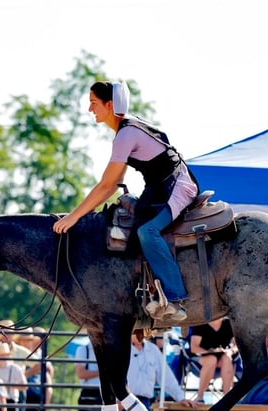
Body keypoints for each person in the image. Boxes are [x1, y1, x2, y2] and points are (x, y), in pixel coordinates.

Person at [52, 80, 199, 323]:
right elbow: (116, 181)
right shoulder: (127, 129)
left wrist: (73, 217)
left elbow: (107, 185)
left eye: (93, 103)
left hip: (176, 186)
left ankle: (175, 298)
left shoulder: (126, 134)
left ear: (109, 105)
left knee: (147, 232)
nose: (90, 109)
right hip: (158, 189)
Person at [116, 330, 193, 411]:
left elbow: (165, 376)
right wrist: (115, 400)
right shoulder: (121, 348)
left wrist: (180, 397)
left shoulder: (152, 350)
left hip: (143, 401)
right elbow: (112, 375)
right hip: (124, 401)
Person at [189, 317, 238, 402]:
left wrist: (231, 351)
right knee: (211, 360)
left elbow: (236, 344)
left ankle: (228, 397)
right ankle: (200, 397)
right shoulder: (200, 324)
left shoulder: (228, 324)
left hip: (223, 356)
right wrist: (210, 351)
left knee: (227, 359)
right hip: (200, 358)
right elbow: (194, 348)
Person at [14, 328, 55, 411]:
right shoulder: (17, 352)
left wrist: (48, 391)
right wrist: (35, 369)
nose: (27, 343)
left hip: (35, 392)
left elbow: (48, 372)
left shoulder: (38, 354)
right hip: (20, 391)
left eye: (29, 340)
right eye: (24, 340)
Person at [74, 336, 102, 411]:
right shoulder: (83, 349)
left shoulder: (108, 348)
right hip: (90, 391)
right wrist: (104, 371)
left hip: (104, 390)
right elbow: (81, 373)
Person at [0, 343, 27, 411]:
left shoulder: (15, 368)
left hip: (11, 401)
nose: (4, 358)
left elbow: (24, 386)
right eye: (1, 355)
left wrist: (8, 386)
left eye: (5, 355)